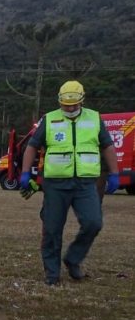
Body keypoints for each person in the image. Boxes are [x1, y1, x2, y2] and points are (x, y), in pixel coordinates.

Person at [20, 80, 118, 285]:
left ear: (82, 101)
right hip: (55, 184)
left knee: (93, 223)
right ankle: (52, 273)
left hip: (85, 183)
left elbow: (108, 146)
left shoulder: (94, 118)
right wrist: (25, 173)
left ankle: (73, 259)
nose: (70, 108)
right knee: (52, 228)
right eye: (66, 104)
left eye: (74, 104)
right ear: (60, 101)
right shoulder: (49, 119)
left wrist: (115, 173)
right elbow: (32, 146)